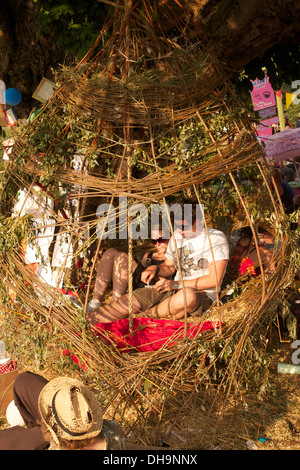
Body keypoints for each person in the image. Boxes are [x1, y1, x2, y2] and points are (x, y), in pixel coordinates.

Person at [85, 199, 229, 324]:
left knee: (187, 296)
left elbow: (214, 280)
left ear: (197, 221)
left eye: (183, 226)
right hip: (172, 289)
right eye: (177, 226)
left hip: (200, 294)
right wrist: (155, 269)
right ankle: (86, 322)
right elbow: (169, 266)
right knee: (128, 302)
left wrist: (176, 284)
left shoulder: (215, 239)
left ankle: (143, 318)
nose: (179, 231)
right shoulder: (177, 238)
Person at [0, 372, 165, 450]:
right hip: (70, 436)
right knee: (24, 380)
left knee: (6, 439)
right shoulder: (113, 430)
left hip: (55, 441)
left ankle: (40, 431)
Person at [86, 227, 169, 312]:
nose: (157, 244)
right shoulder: (149, 255)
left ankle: (115, 303)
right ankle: (95, 302)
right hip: (140, 280)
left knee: (122, 257)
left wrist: (154, 271)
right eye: (154, 241)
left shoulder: (172, 257)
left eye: (161, 240)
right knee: (110, 252)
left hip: (153, 286)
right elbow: (139, 271)